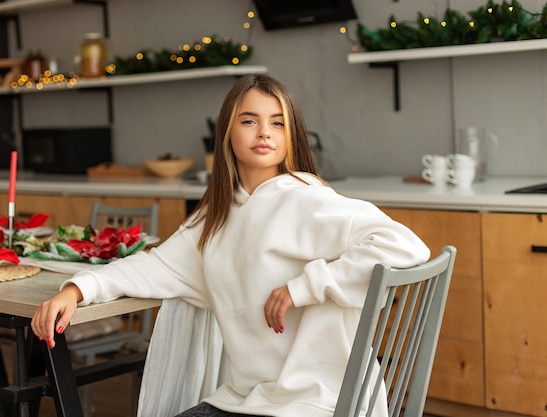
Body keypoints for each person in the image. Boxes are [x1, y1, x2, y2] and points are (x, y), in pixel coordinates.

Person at [31, 74, 430, 417]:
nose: (264, 133)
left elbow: (404, 245)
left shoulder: (305, 199)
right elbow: (153, 266)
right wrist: (77, 289)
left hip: (318, 401)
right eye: (249, 120)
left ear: (291, 135)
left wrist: (302, 287)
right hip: (250, 398)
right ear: (226, 132)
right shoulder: (217, 218)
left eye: (277, 122)